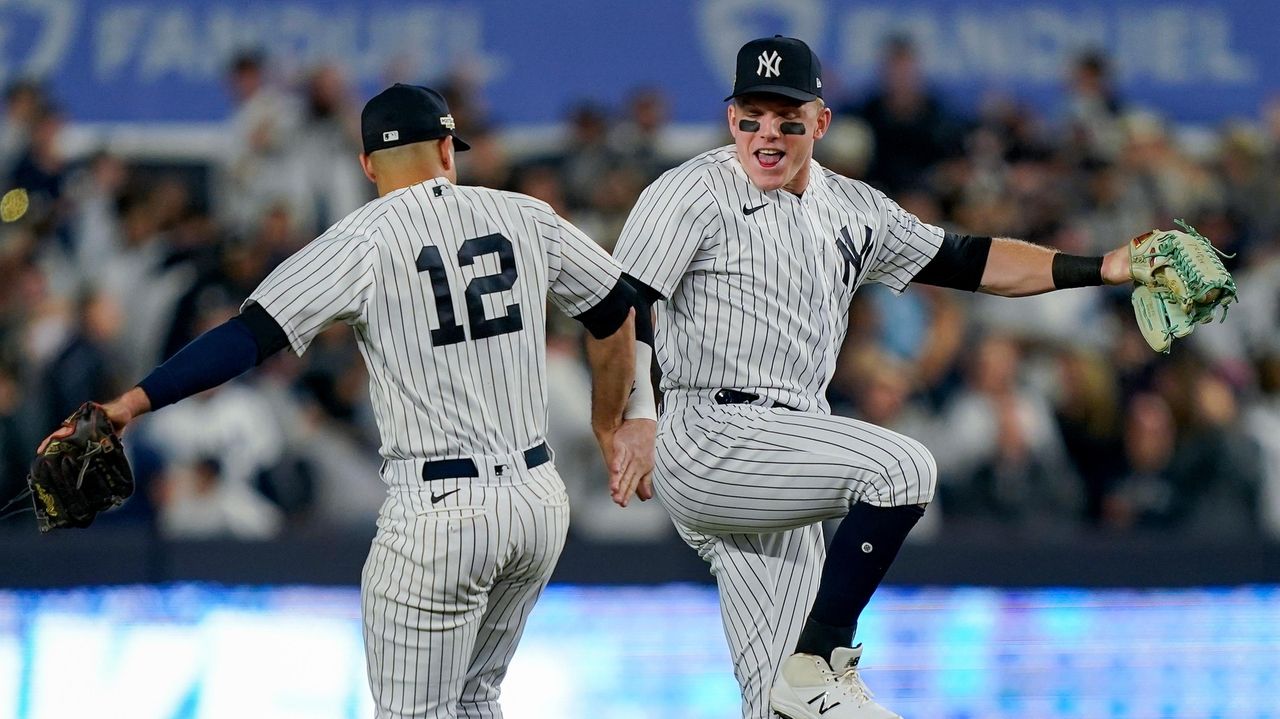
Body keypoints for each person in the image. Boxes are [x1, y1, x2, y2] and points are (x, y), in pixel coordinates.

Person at [40, 83, 657, 719]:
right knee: (474, 701)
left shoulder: (363, 238)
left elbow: (247, 338)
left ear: (366, 166)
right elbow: (619, 311)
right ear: (448, 149)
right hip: (536, 505)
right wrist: (619, 420)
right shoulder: (527, 215)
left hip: (440, 512)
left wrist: (130, 404)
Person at [612, 36, 1138, 719]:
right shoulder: (691, 190)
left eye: (787, 117)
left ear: (820, 122)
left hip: (788, 450)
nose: (767, 134)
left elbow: (969, 261)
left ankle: (800, 679)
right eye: (751, 116)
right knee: (902, 468)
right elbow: (622, 300)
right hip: (713, 430)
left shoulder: (853, 208)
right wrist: (636, 414)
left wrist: (1100, 267)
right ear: (731, 117)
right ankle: (824, 659)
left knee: (776, 706)